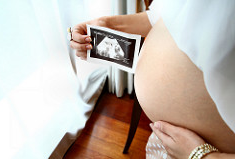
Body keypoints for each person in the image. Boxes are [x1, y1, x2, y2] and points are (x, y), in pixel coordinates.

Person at [69, 0, 235, 158]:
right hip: (172, 142)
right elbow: (163, 15)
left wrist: (204, 156)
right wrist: (105, 24)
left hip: (207, 151)